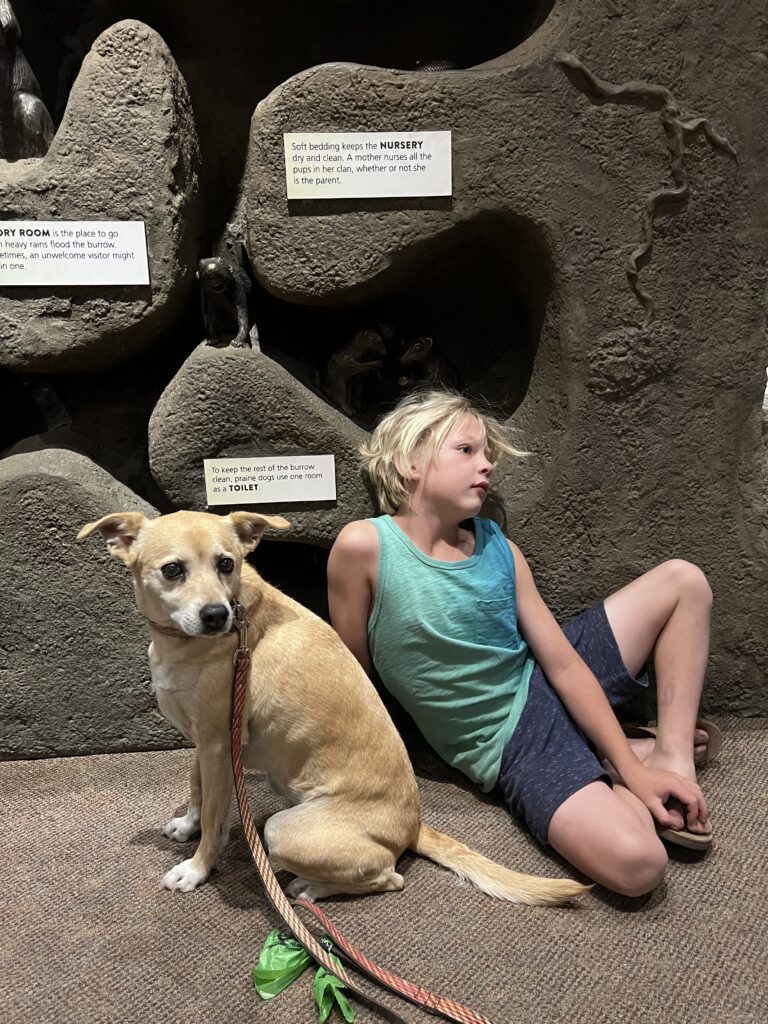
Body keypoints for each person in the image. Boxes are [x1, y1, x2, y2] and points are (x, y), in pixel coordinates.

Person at [327, 389, 718, 898]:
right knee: (640, 865)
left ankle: (668, 757)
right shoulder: (364, 546)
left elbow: (563, 664)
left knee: (684, 581)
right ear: (408, 462)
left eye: (487, 454)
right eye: (466, 450)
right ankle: (610, 751)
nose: (486, 465)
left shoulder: (499, 545)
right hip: (512, 741)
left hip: (543, 677)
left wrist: (634, 773)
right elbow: (351, 674)